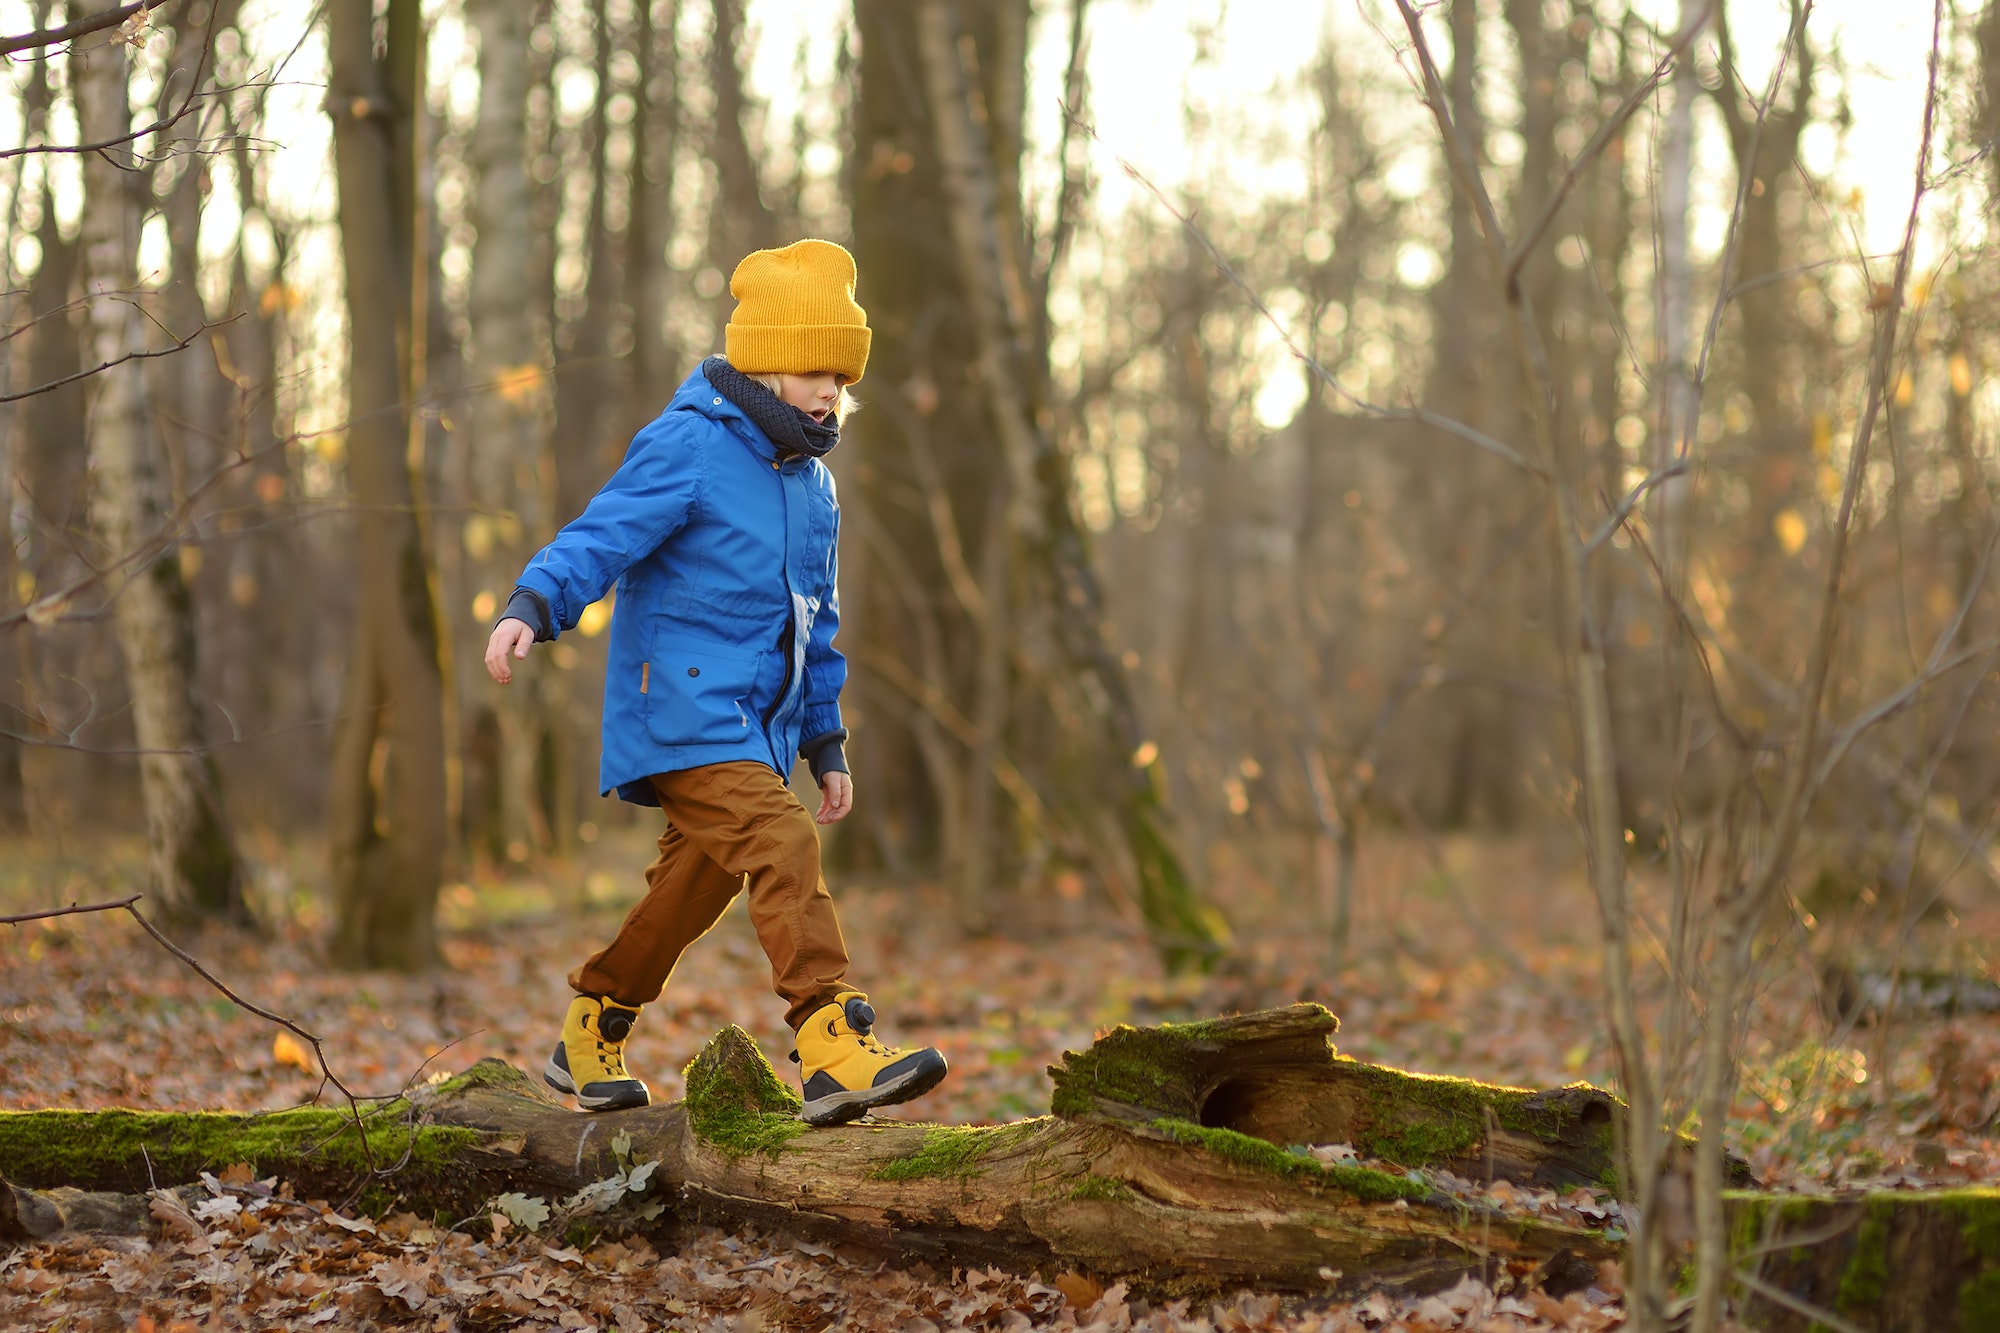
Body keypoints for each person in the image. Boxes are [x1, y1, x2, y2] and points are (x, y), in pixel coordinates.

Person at [482, 238, 946, 1126]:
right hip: (682, 711)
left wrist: (825, 739)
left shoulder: (814, 487)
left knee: (692, 888)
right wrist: (533, 602)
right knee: (780, 842)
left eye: (842, 379)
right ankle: (827, 1035)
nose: (827, 392)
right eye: (813, 369)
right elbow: (603, 533)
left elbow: (817, 625)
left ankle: (591, 1025)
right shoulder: (690, 443)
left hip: (759, 730)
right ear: (765, 362)